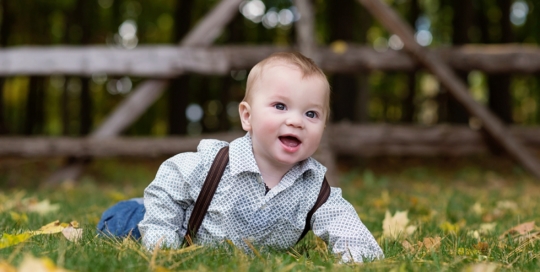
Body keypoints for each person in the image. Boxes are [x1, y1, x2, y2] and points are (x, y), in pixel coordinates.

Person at [98, 52, 383, 263]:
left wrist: (358, 256)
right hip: (167, 220)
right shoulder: (216, 163)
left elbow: (348, 229)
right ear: (247, 116)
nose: (296, 121)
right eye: (280, 106)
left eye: (311, 114)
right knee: (118, 223)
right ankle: (135, 209)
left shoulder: (315, 190)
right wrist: (163, 241)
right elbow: (171, 177)